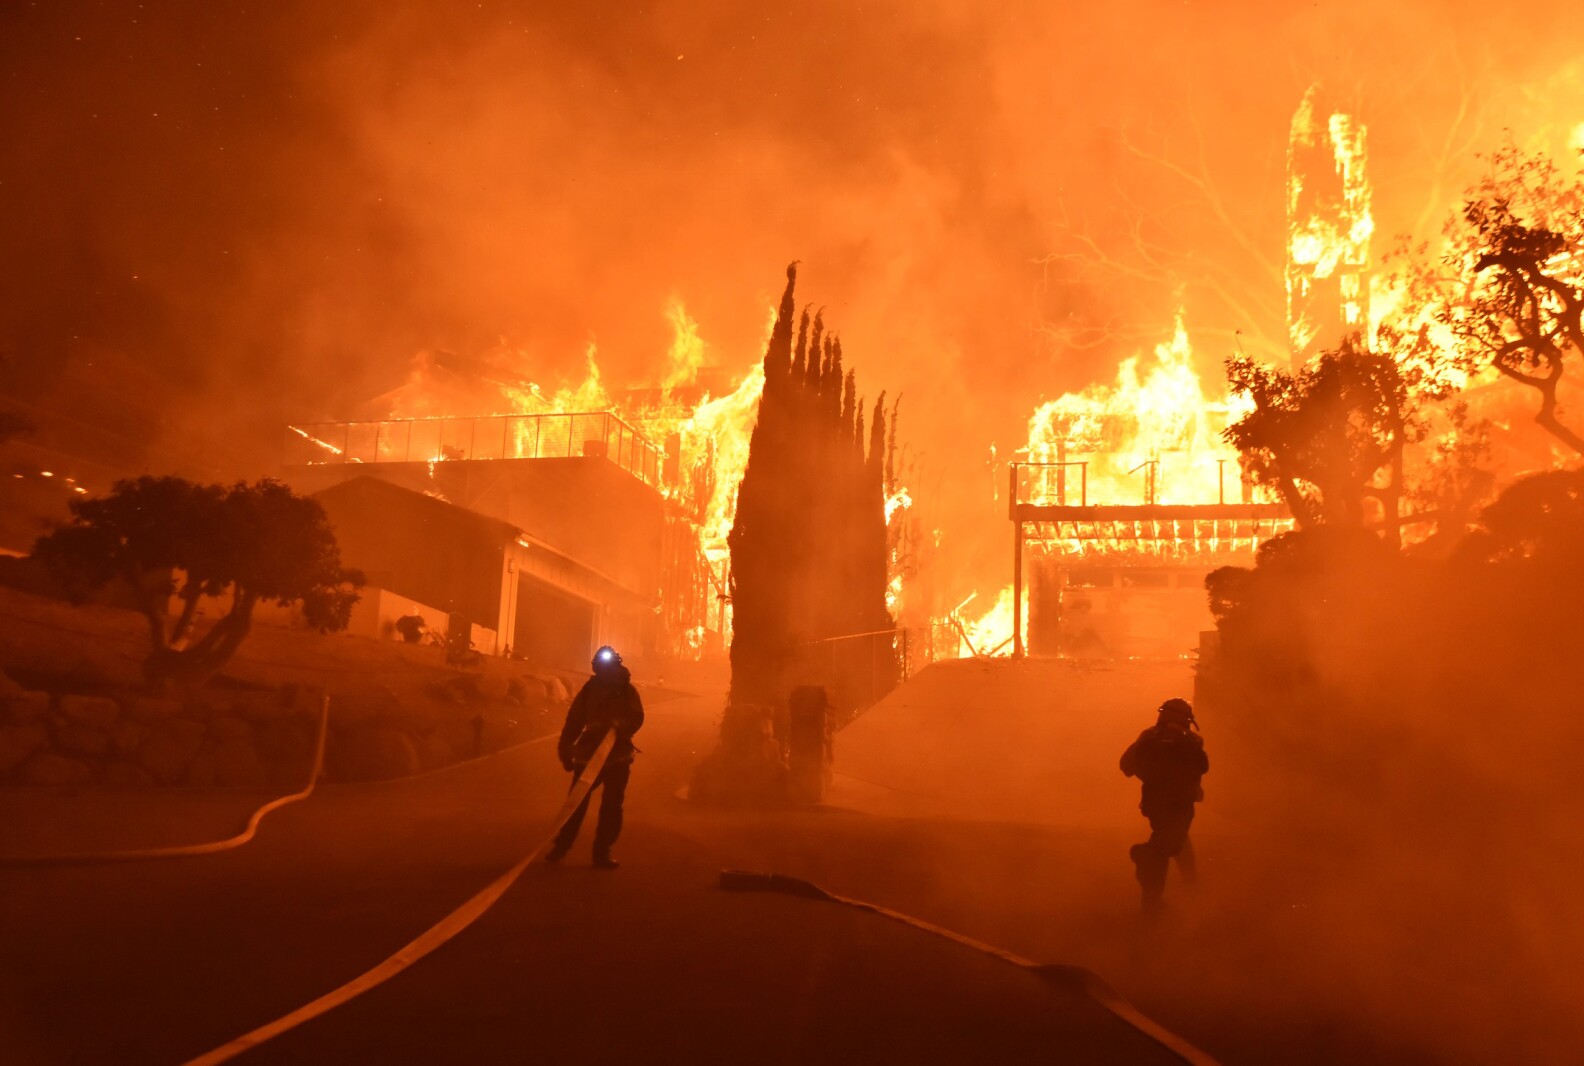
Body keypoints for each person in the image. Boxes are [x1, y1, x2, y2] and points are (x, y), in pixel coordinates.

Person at [546, 645, 644, 868]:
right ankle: (562, 846)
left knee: (611, 805)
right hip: (589, 755)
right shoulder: (590, 689)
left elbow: (637, 717)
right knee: (576, 803)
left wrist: (620, 727)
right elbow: (575, 721)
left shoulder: (627, 691)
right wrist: (565, 749)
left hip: (617, 756)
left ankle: (602, 852)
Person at [1120, 697, 1208, 912]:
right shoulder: (1193, 740)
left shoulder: (1148, 736)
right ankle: (1151, 898)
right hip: (1181, 803)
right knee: (1163, 848)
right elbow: (1202, 767)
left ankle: (1186, 881)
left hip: (1154, 804)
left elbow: (1126, 766)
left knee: (1173, 837)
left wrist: (1151, 776)